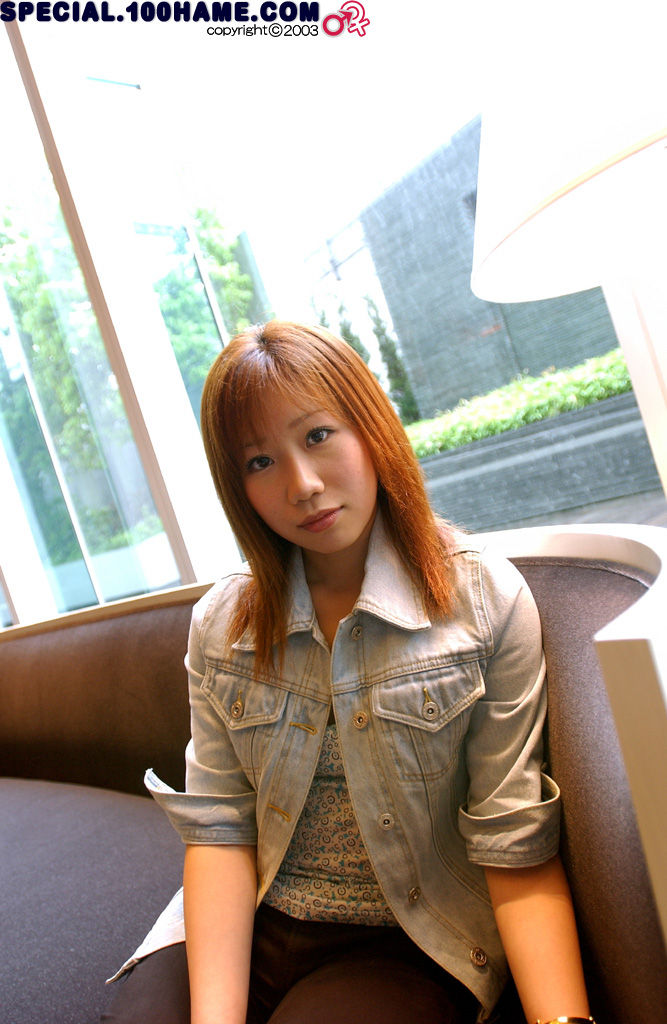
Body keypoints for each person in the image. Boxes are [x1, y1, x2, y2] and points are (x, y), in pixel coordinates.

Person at [104, 321, 594, 1024]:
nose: (302, 485)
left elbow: (512, 842)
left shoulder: (482, 600)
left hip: (402, 941)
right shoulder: (223, 623)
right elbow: (220, 831)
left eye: (317, 435)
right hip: (246, 917)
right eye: (259, 462)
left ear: (370, 427)